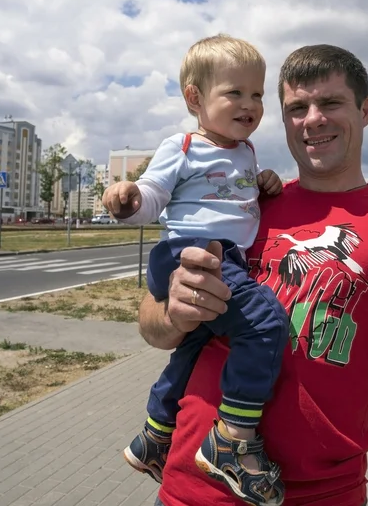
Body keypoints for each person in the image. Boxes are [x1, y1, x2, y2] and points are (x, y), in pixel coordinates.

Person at [138, 43, 368, 506]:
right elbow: (153, 326)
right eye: (297, 108)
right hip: (188, 491)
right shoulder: (244, 211)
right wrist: (174, 314)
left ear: (365, 110)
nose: (313, 119)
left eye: (331, 102)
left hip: (322, 496)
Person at [102, 34, 289, 506]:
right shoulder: (183, 145)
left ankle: (154, 435)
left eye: (258, 95)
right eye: (235, 93)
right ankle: (233, 436)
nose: (250, 105)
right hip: (191, 251)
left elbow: (240, 197)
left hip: (223, 255)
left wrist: (263, 183)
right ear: (195, 97)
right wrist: (128, 201)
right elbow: (154, 194)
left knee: (199, 343)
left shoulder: (245, 151)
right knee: (265, 323)